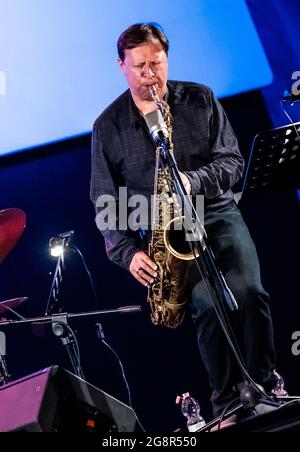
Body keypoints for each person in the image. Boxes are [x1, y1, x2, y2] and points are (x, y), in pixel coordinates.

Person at [90, 22, 277, 423]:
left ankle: (263, 384)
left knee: (251, 292)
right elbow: (105, 202)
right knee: (209, 307)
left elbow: (232, 161)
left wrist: (190, 181)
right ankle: (227, 403)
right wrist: (128, 253)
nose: (149, 75)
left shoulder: (199, 98)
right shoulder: (107, 127)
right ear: (120, 65)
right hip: (168, 228)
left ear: (166, 58)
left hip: (217, 211)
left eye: (156, 63)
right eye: (139, 66)